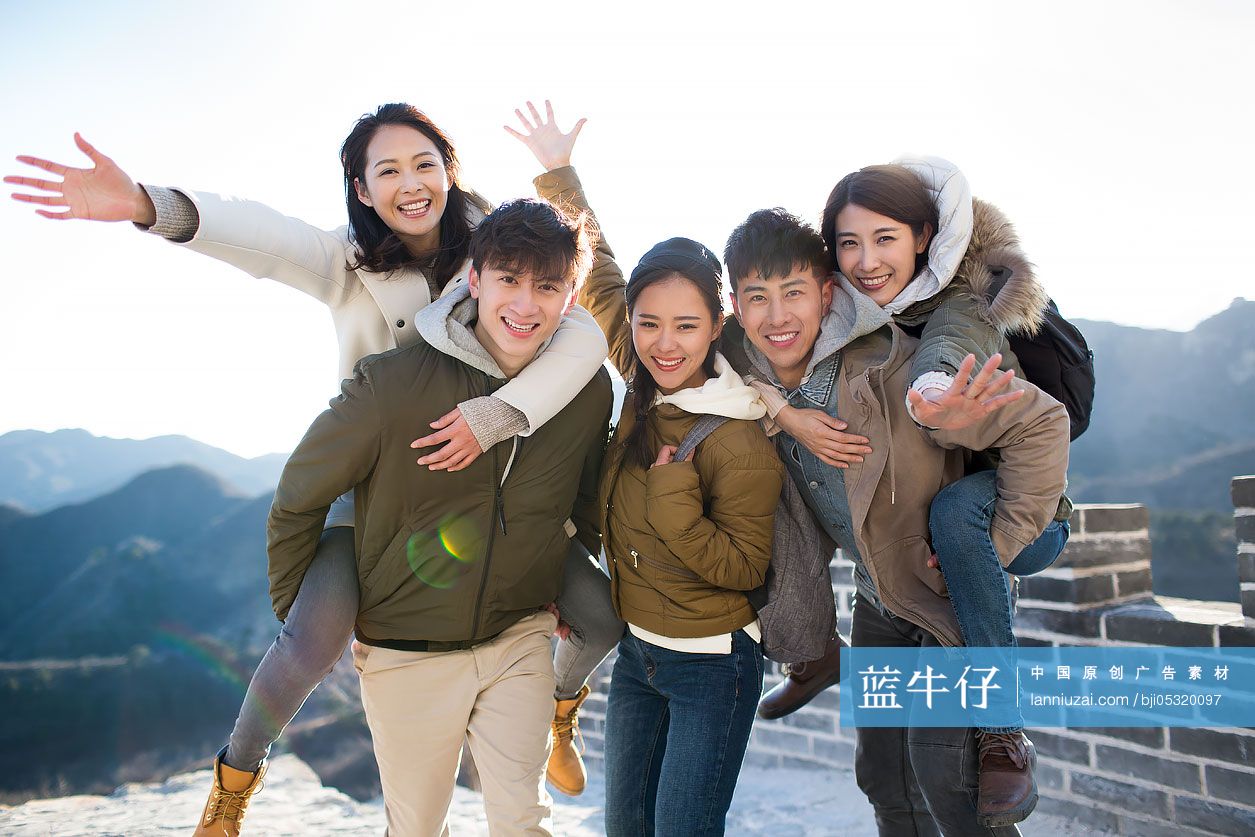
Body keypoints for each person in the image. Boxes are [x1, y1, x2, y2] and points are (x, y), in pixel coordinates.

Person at [5, 103, 615, 832]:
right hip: (384, 489)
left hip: (501, 497)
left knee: (600, 613)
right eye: (386, 170)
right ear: (360, 189)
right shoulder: (348, 262)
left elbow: (583, 320)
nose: (410, 183)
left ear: (450, 173)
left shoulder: (499, 251)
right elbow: (261, 235)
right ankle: (234, 779)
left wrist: (499, 415)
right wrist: (144, 203)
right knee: (310, 638)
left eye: (425, 164)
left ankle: (558, 715)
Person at [267, 196, 612, 835]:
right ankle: (234, 780)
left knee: (523, 819)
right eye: (508, 279)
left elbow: (583, 497)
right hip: (407, 651)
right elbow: (299, 496)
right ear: (474, 280)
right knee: (418, 826)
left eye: (547, 287)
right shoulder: (392, 385)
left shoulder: (586, 390)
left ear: (570, 297)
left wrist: (557, 574)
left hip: (519, 637)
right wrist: (298, 609)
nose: (525, 304)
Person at [721, 206, 1069, 835]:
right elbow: (645, 323)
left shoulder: (902, 370)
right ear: (736, 305)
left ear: (828, 294)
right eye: (757, 299)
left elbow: (1042, 422)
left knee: (948, 776)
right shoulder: (739, 361)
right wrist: (778, 410)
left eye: (794, 294)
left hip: (944, 594)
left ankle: (1003, 732)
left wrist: (996, 545)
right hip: (882, 598)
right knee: (884, 775)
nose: (777, 317)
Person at [510, 105, 782, 836]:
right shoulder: (641, 378)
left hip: (712, 668)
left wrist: (672, 500)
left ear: (717, 323)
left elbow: (742, 565)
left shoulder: (738, 431)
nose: (665, 342)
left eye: (686, 325)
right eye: (648, 322)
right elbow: (599, 277)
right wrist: (559, 173)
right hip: (639, 656)